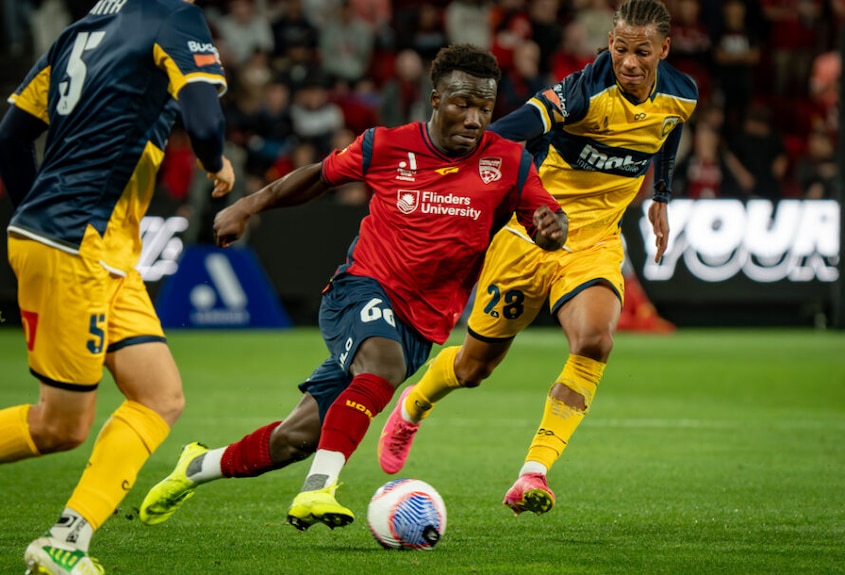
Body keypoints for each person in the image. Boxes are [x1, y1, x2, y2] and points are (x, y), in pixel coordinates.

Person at [137, 44, 568, 532]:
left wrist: (554, 230)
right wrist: (247, 206)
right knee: (380, 365)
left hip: (422, 325)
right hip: (360, 290)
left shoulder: (509, 162)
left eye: (484, 109)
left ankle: (196, 466)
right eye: (462, 104)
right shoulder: (385, 144)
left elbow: (547, 219)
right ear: (435, 98)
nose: (474, 119)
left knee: (294, 439)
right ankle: (317, 491)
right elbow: (316, 179)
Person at [377, 0, 698, 516]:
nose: (630, 63)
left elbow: (667, 130)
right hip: (528, 238)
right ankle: (412, 406)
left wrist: (660, 194)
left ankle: (534, 473)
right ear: (608, 45)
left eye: (642, 52)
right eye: (620, 49)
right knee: (474, 366)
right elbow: (508, 132)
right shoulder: (583, 92)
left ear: (663, 48)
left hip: (593, 243)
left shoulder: (683, 95)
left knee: (594, 341)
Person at [0, 0, 235, 573]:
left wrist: (40, 209)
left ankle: (67, 540)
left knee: (159, 396)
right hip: (74, 247)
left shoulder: (77, 32)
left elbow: (10, 136)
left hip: (105, 251)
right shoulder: (174, 18)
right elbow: (204, 122)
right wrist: (216, 162)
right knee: (61, 425)